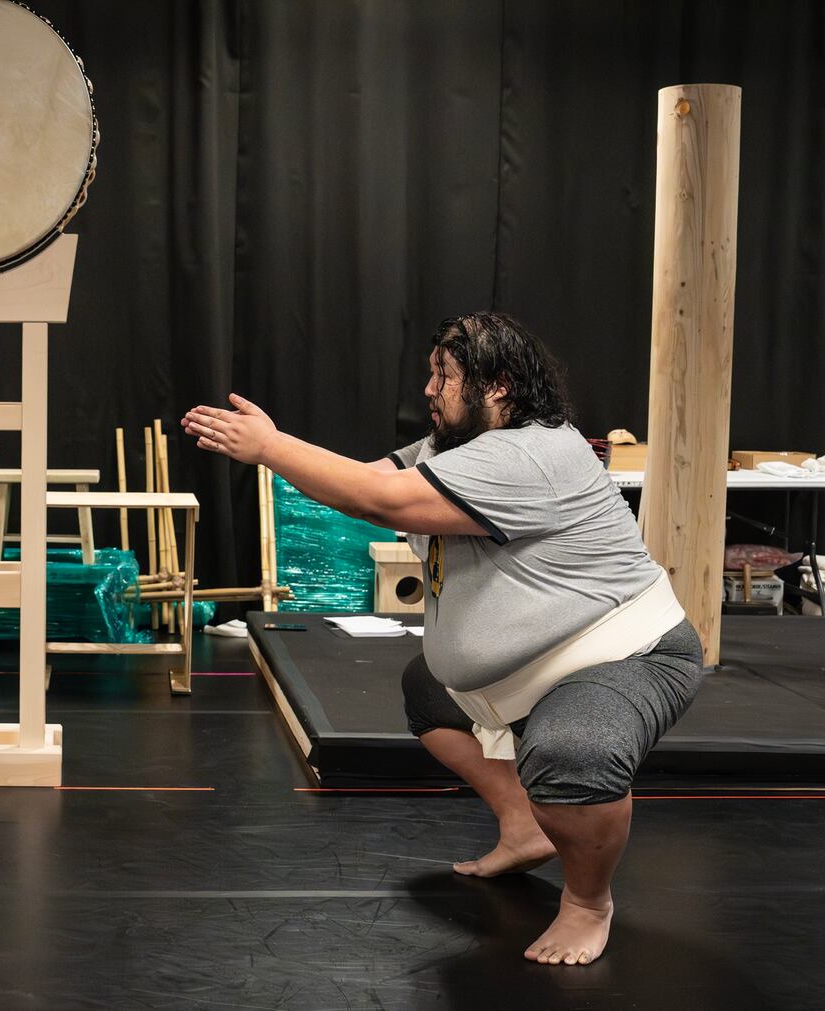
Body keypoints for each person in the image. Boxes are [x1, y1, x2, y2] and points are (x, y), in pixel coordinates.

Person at [182, 312, 702, 967]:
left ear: (498, 385)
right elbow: (365, 482)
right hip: (529, 671)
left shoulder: (531, 453)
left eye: (445, 375)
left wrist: (271, 446)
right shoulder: (450, 446)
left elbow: (382, 501)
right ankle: (523, 824)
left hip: (626, 656)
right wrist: (277, 449)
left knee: (573, 752)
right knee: (430, 691)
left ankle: (587, 901)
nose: (429, 388)